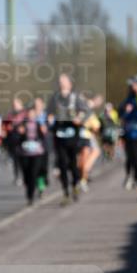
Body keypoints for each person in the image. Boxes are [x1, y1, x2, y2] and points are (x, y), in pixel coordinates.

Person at [47, 74, 89, 206]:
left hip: (73, 135)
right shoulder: (55, 97)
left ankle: (75, 184)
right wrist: (49, 118)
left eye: (64, 81)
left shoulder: (76, 97)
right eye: (60, 81)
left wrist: (79, 118)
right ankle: (65, 192)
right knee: (62, 165)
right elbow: (48, 111)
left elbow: (86, 111)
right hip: (59, 135)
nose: (61, 83)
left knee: (72, 163)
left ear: (70, 83)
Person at [15, 102, 49, 206]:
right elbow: (15, 139)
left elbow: (44, 139)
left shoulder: (39, 124)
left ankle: (31, 196)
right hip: (25, 154)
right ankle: (29, 192)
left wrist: (44, 132)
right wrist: (18, 133)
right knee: (26, 175)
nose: (30, 115)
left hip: (37, 154)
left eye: (32, 113)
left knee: (34, 174)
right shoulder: (21, 125)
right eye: (29, 113)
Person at [2, 97, 26, 186]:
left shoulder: (25, 115)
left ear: (21, 105)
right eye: (13, 104)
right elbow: (4, 126)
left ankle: (25, 176)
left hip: (24, 141)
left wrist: (24, 129)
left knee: (24, 161)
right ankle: (17, 176)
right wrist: (5, 130)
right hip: (13, 141)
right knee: (16, 160)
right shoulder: (9, 115)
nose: (15, 106)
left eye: (16, 104)